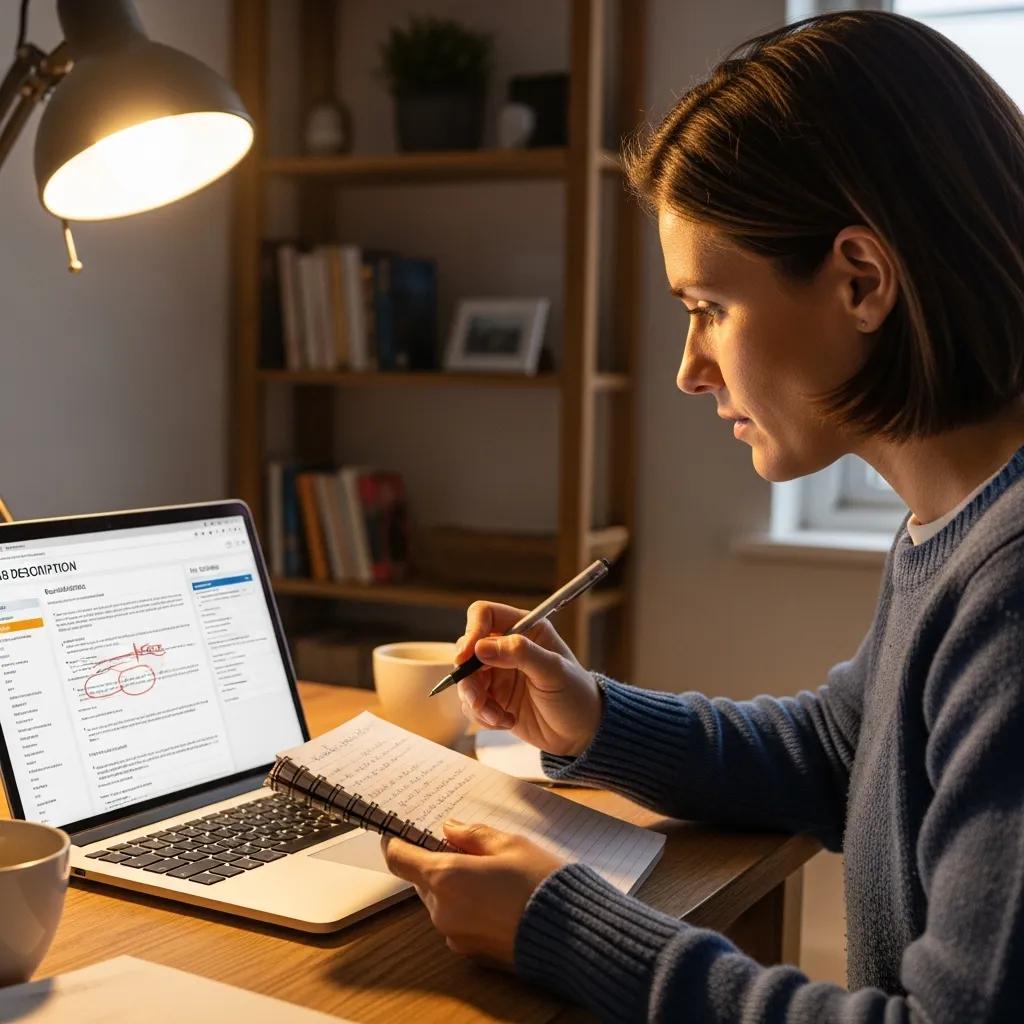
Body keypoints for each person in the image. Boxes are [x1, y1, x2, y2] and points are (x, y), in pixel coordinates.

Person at [381, 9, 1024, 1022]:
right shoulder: (958, 525)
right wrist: (589, 712)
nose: (688, 370)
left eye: (706, 308)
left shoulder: (1011, 585)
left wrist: (567, 925)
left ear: (860, 280)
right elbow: (837, 754)